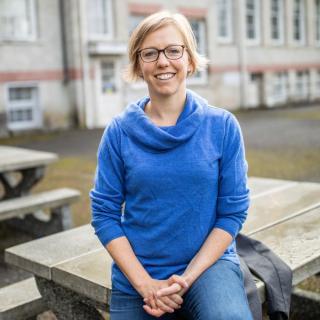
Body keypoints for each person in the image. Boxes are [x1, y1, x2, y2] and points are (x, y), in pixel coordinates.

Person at [90, 11, 253, 320]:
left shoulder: (222, 126)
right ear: (139, 65)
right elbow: (104, 214)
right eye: (150, 53)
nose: (162, 61)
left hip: (208, 267)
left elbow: (232, 211)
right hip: (140, 273)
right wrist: (145, 284)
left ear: (189, 60)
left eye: (173, 50)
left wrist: (188, 278)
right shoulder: (118, 132)